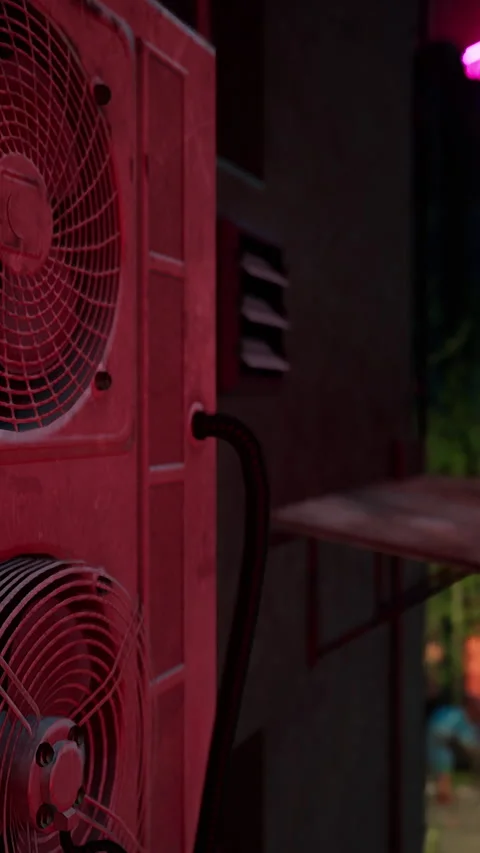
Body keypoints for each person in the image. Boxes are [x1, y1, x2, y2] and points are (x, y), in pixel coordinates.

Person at [426, 694, 480, 803]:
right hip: (438, 745)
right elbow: (439, 731)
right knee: (443, 753)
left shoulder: (472, 724)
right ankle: (443, 791)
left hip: (456, 749)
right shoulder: (455, 716)